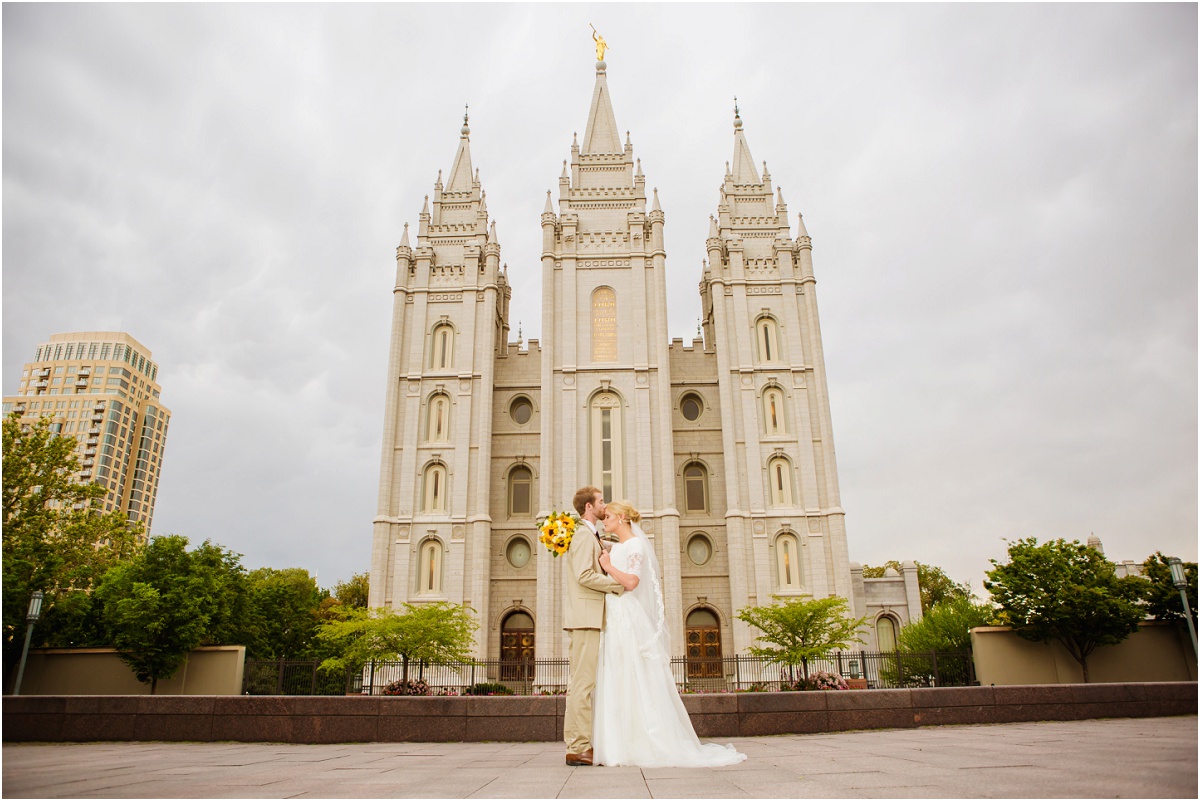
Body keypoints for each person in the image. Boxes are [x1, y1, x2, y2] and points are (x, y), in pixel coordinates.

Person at [594, 500, 747, 768]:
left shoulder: (636, 546)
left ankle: (643, 741)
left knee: (634, 675)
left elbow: (631, 582)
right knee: (619, 674)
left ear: (620, 517)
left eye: (607, 517)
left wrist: (608, 567)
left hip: (627, 615)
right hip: (615, 614)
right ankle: (620, 743)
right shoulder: (618, 546)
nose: (603, 521)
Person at [563, 486, 625, 767]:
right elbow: (584, 575)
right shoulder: (581, 535)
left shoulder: (592, 536)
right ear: (589, 507)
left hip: (590, 617)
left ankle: (579, 744)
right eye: (601, 501)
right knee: (582, 685)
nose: (604, 505)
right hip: (585, 617)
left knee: (583, 684)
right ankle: (577, 747)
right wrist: (617, 586)